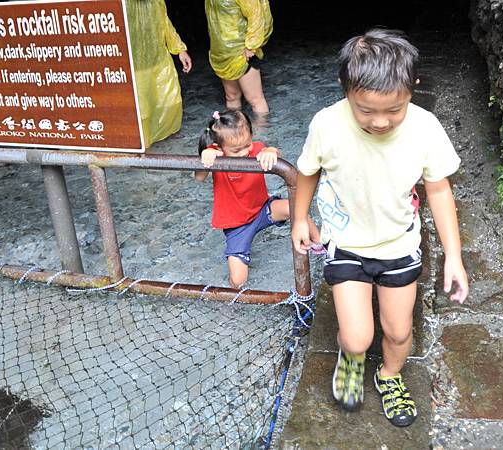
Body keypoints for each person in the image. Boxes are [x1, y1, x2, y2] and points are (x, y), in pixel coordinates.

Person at [291, 29, 469, 426]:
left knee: (399, 333)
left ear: (411, 89)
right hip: (346, 243)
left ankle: (389, 375)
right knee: (356, 337)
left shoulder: (425, 127)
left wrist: (453, 257)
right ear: (346, 89)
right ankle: (350, 359)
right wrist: (300, 217)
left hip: (398, 246)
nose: (381, 122)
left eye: (395, 109)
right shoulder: (326, 124)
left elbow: (439, 192)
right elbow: (307, 172)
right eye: (366, 110)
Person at [196, 110, 323, 288]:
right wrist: (205, 158)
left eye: (247, 144)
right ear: (219, 146)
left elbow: (272, 152)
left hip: (262, 209)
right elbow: (199, 178)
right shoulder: (215, 155)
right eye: (236, 150)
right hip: (237, 225)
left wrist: (270, 151)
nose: (244, 152)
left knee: (293, 207)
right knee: (238, 282)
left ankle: (320, 244)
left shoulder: (254, 149)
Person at [126, 0, 192, 148]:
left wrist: (180, 49)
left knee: (168, 97)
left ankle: (167, 138)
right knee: (141, 107)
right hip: (133, 65)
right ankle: (142, 148)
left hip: (159, 59)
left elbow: (163, 20)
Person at [204, 0, 273, 115]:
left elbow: (256, 14)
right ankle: (234, 130)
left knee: (255, 99)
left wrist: (251, 46)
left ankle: (263, 131)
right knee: (231, 96)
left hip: (243, 51)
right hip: (223, 52)